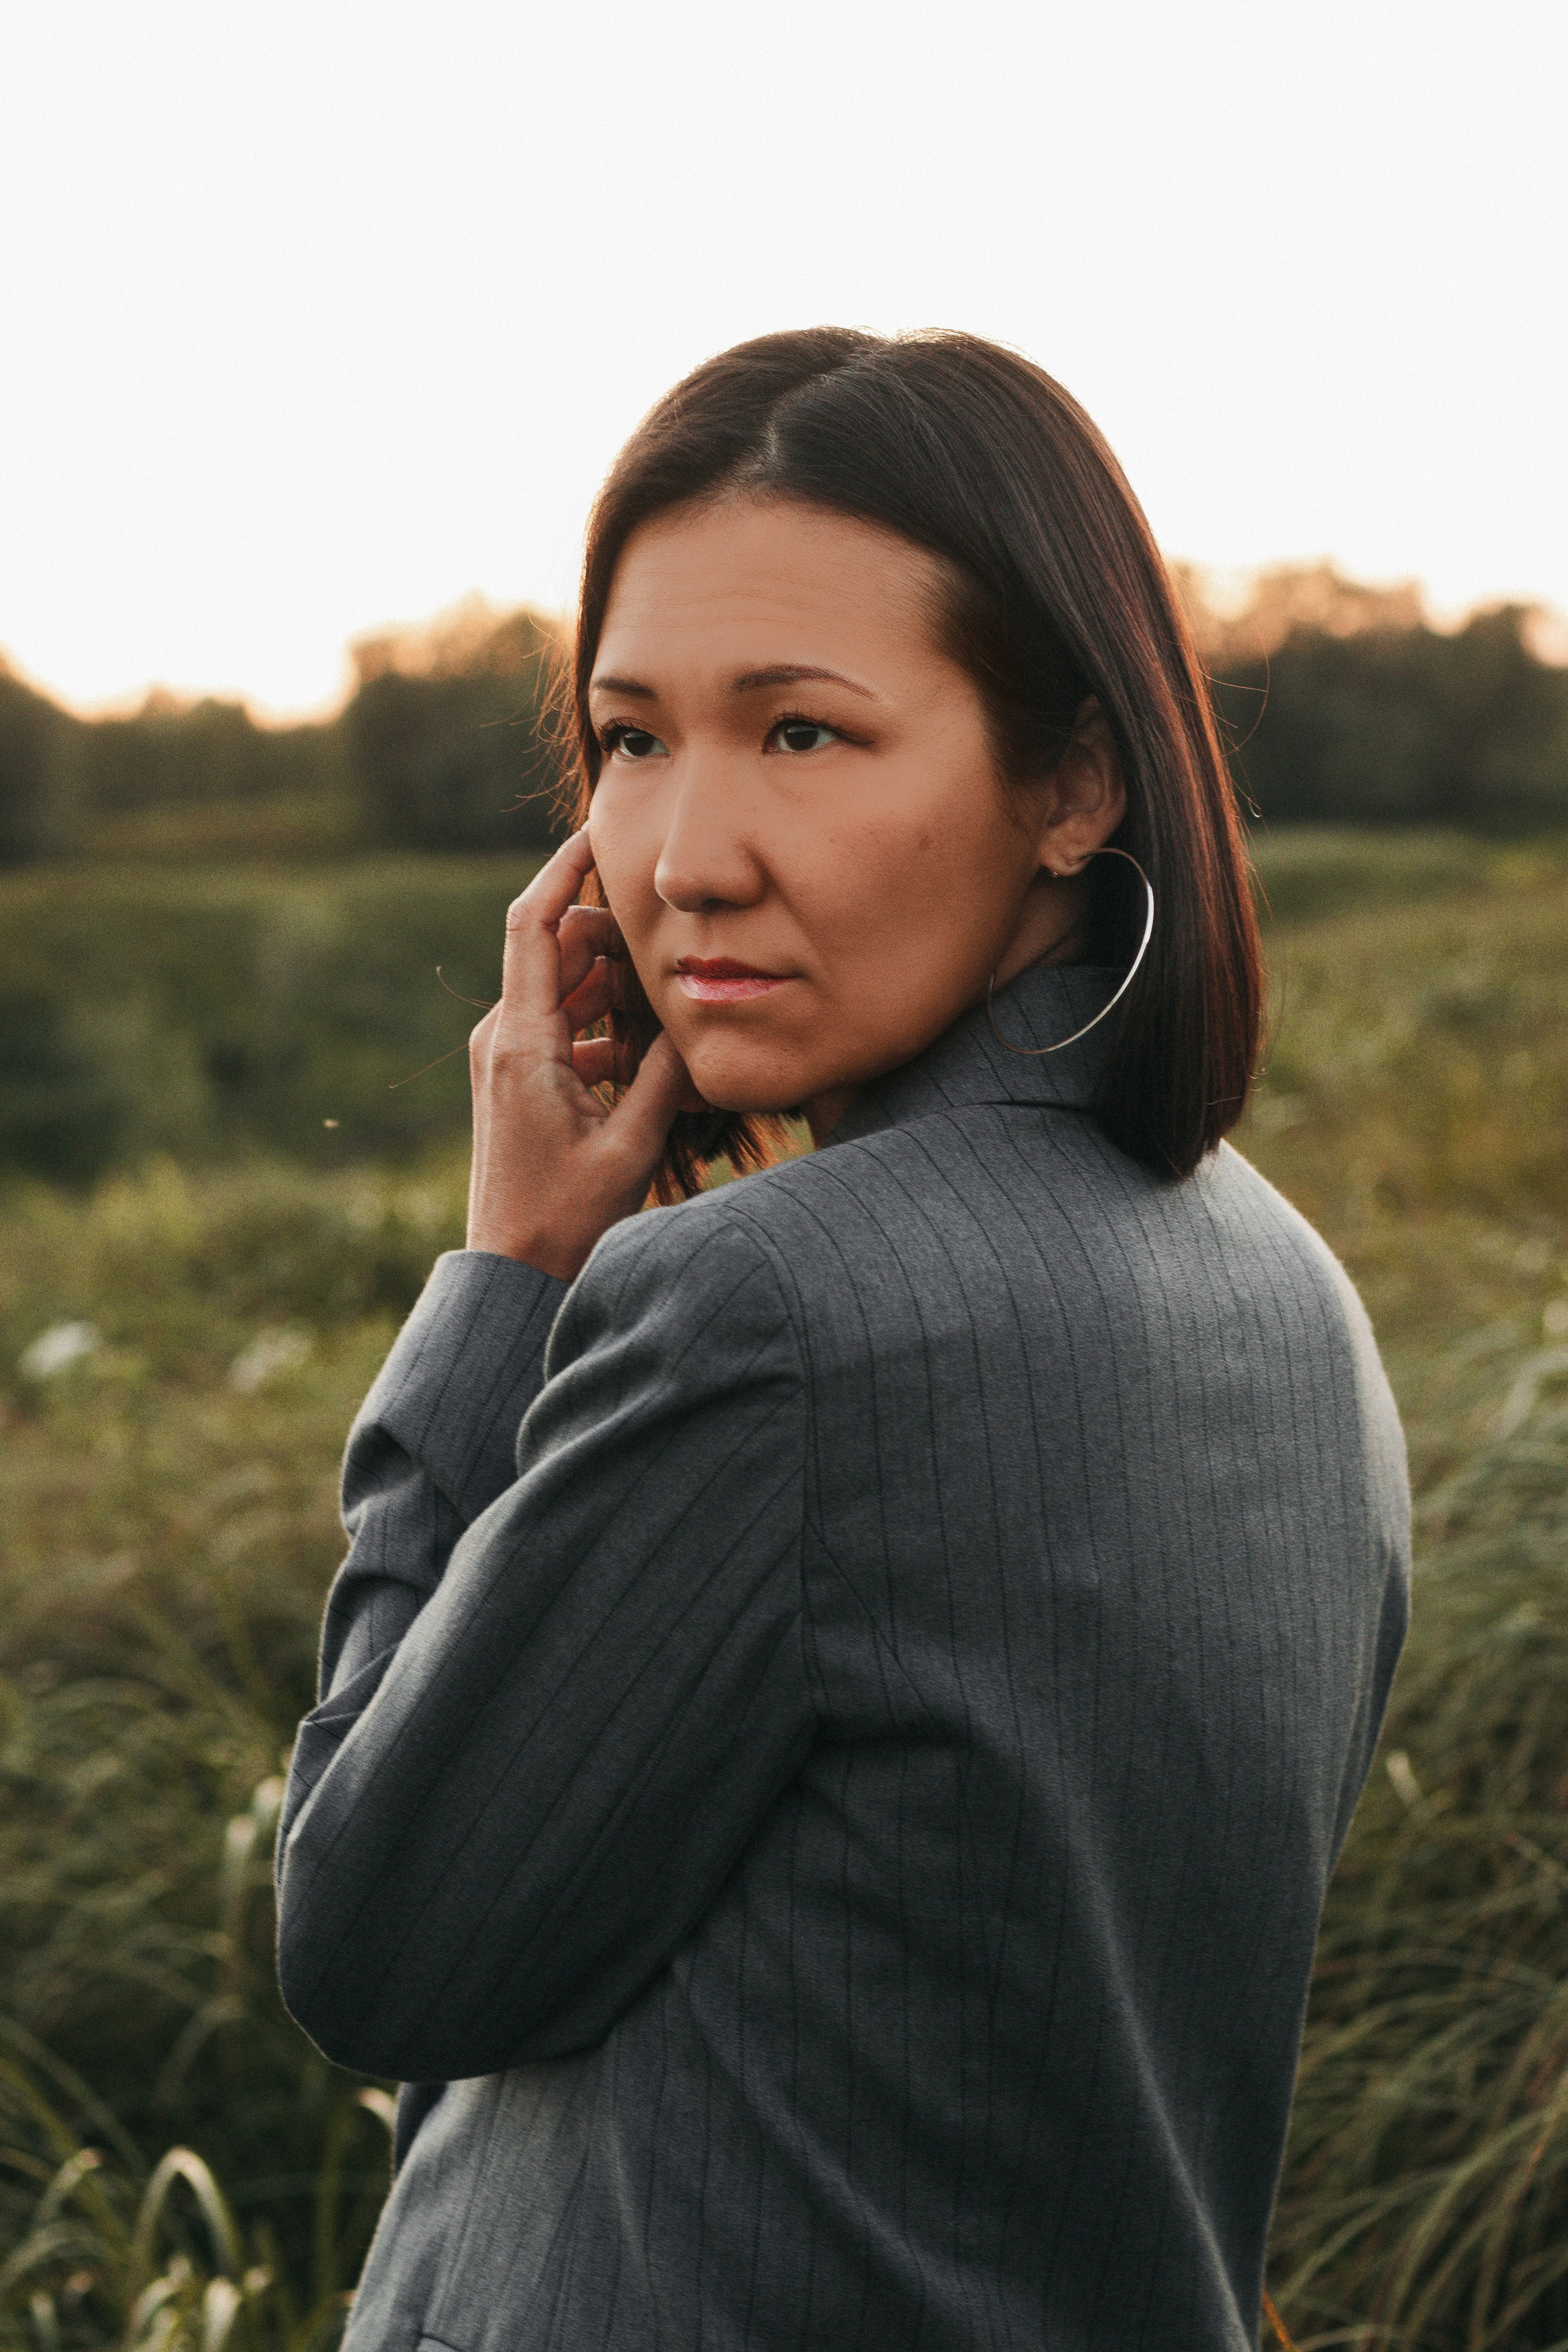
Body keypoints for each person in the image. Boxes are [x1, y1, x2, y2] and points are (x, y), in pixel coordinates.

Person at [276, 328, 1411, 2351]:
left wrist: (507, 1282)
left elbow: (374, 1948)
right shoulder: (1291, 1295)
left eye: (801, 733)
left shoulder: (770, 1312)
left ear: (1076, 779)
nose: (686, 856)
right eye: (632, 739)